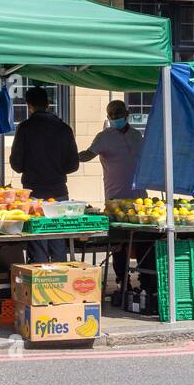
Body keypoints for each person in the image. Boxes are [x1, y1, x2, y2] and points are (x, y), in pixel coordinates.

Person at [78, 100, 145, 286]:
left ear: (127, 112)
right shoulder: (104, 137)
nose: (115, 117)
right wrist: (68, 158)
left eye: (118, 113)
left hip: (140, 198)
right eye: (111, 115)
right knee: (120, 244)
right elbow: (87, 155)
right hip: (116, 199)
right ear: (108, 117)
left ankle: (145, 278)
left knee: (143, 241)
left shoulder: (136, 135)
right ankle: (123, 280)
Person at [9, 87, 78, 262]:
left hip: (34, 192)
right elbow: (73, 164)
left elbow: (16, 163)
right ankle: (61, 281)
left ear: (28, 105)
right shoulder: (64, 129)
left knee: (38, 238)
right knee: (58, 237)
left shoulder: (25, 128)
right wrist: (56, 169)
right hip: (59, 191)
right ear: (48, 104)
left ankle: (40, 283)